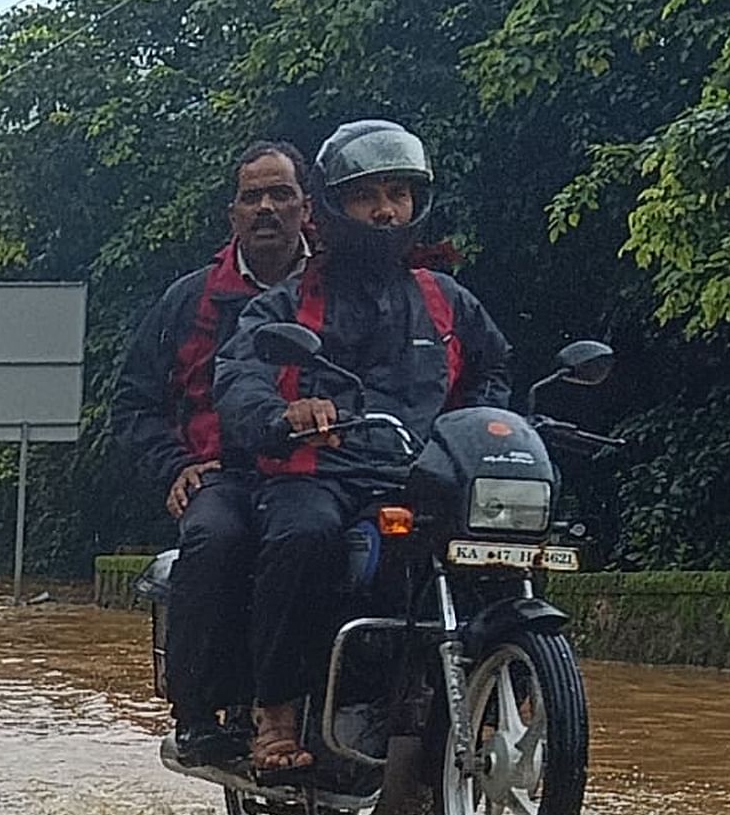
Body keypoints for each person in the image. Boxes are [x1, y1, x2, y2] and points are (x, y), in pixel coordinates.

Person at [214, 120, 513, 776]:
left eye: (398, 194)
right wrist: (282, 412)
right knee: (305, 536)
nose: (385, 209)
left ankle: (482, 695)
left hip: (421, 473)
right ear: (333, 207)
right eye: (366, 195)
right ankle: (278, 712)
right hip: (319, 471)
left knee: (501, 545)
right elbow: (239, 375)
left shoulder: (446, 299)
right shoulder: (290, 302)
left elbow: (492, 370)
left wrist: (484, 423)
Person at [103, 139, 312, 762]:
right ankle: (197, 711)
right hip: (223, 474)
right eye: (253, 197)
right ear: (233, 214)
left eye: (282, 194)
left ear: (308, 208)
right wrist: (175, 467)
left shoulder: (347, 290)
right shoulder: (189, 301)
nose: (267, 209)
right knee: (216, 538)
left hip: (326, 468)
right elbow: (132, 405)